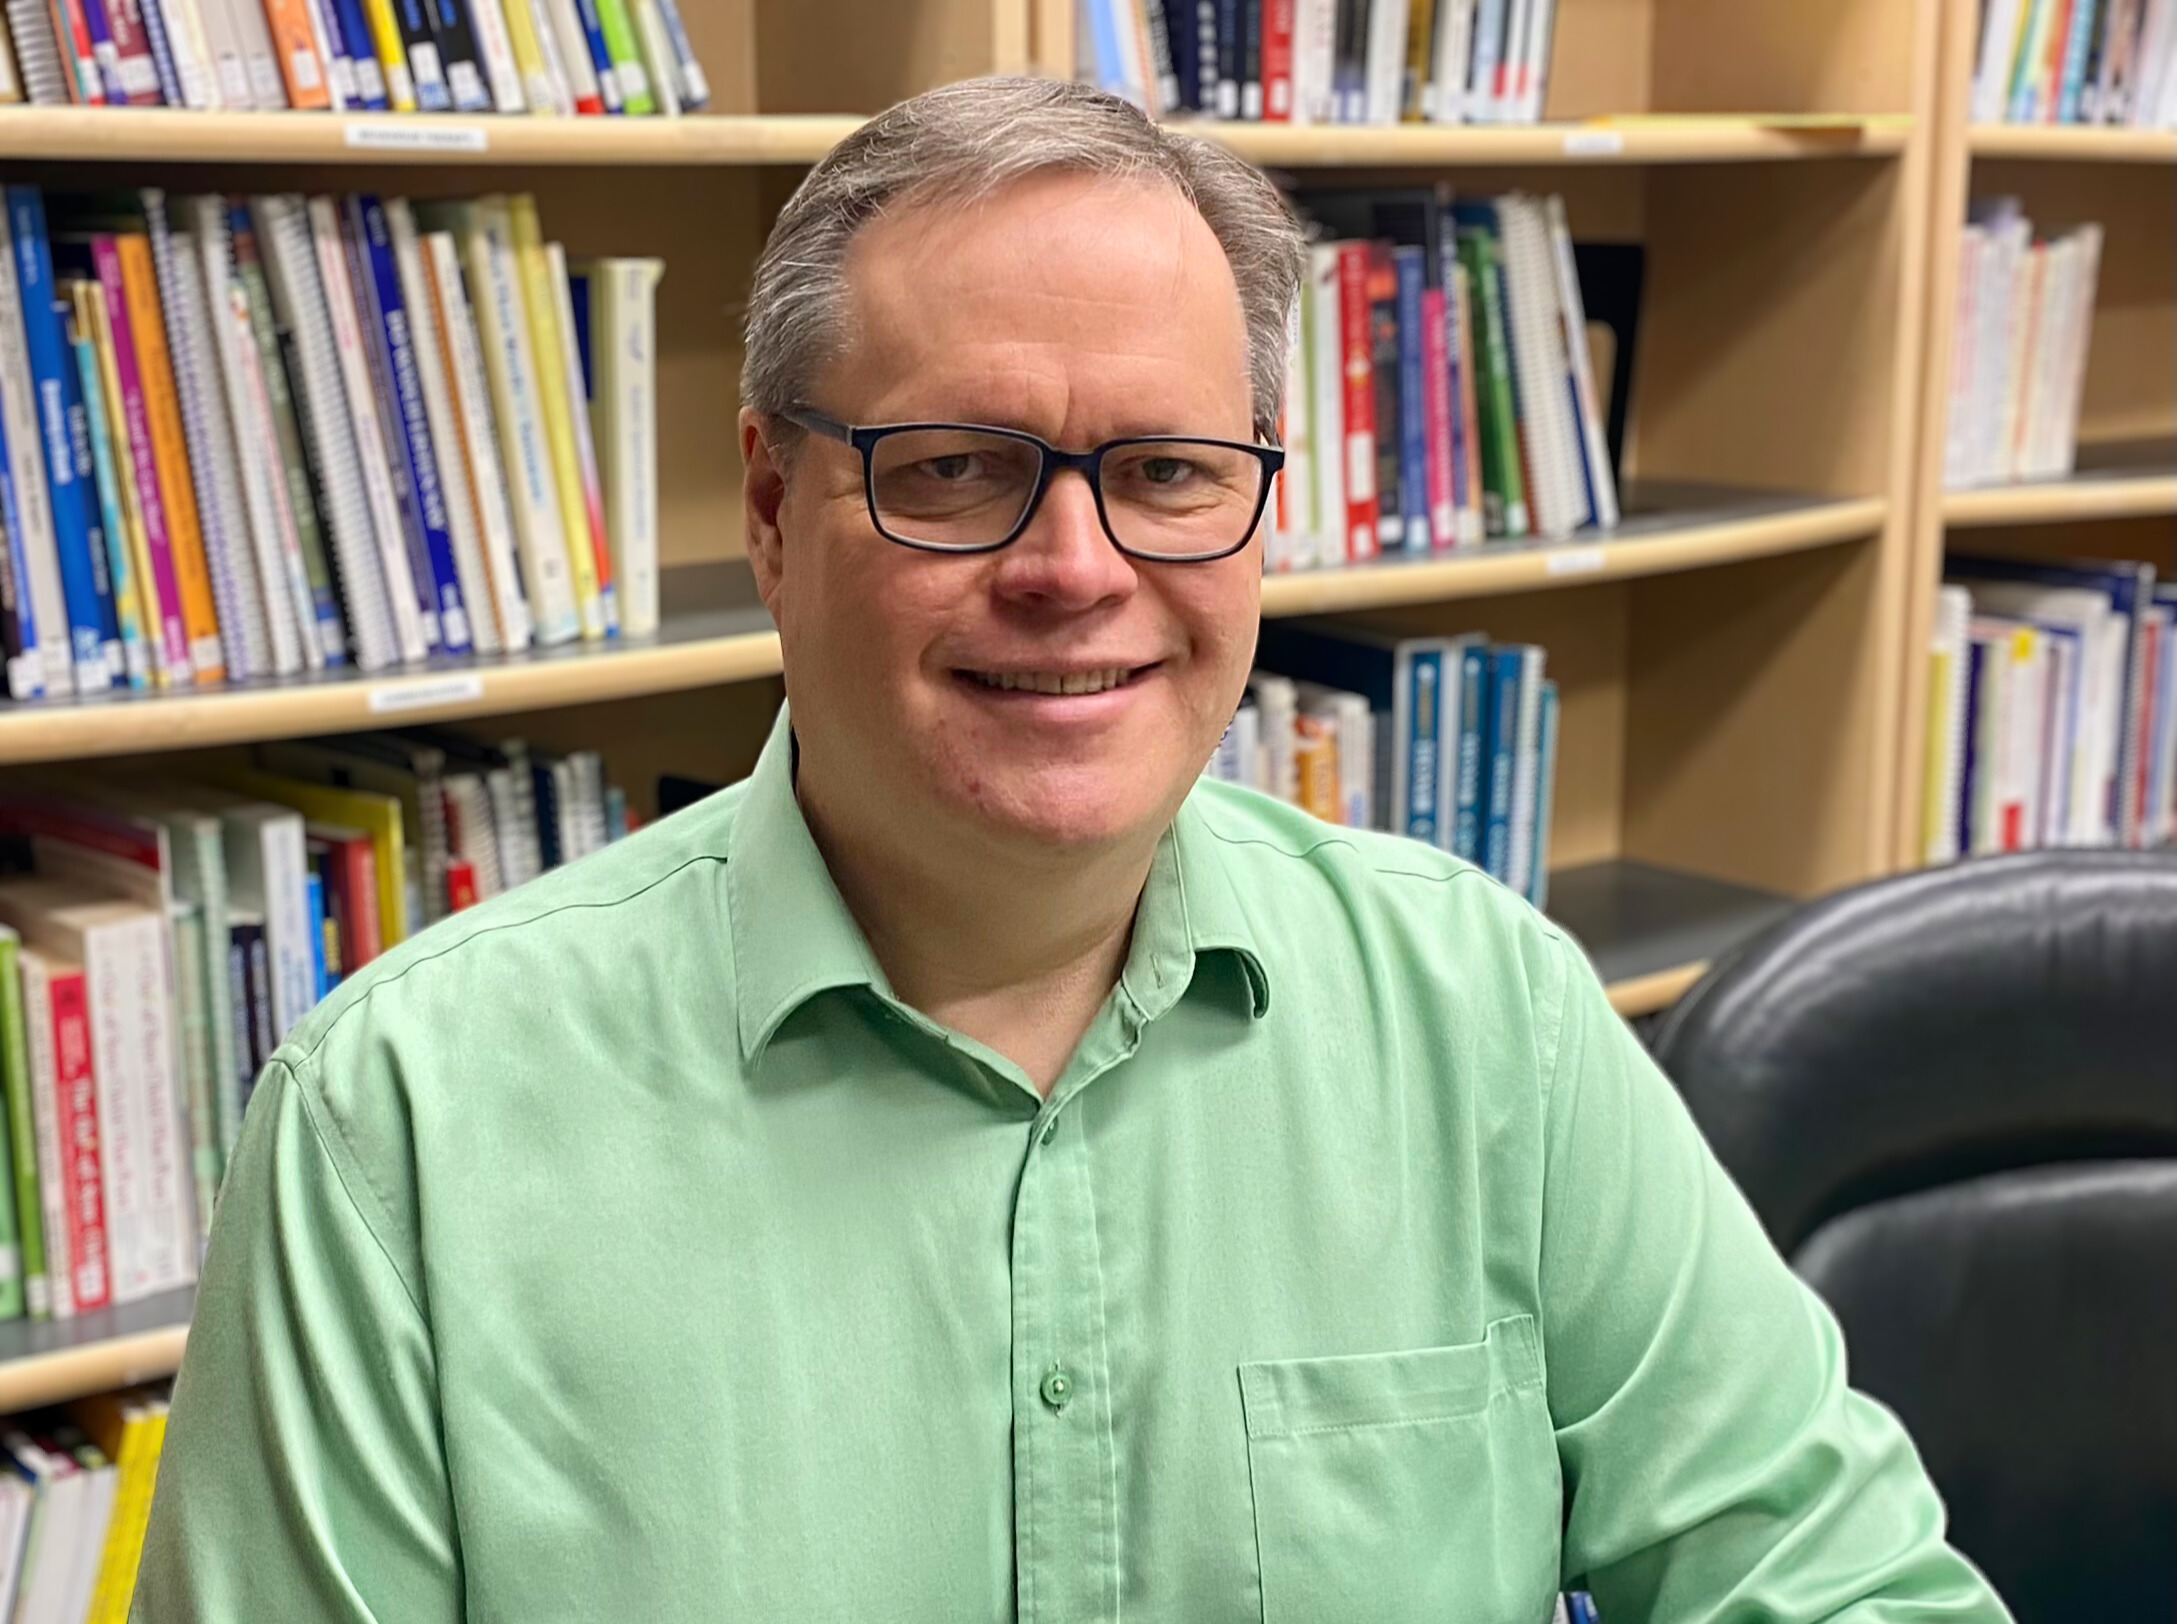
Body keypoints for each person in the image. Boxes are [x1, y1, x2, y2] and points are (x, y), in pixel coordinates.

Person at [133, 76, 2011, 1624]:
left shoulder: (1479, 1015)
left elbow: (1845, 1587)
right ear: (777, 514)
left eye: (1170, 471)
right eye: (952, 468)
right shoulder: (397, 1130)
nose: (1074, 570)